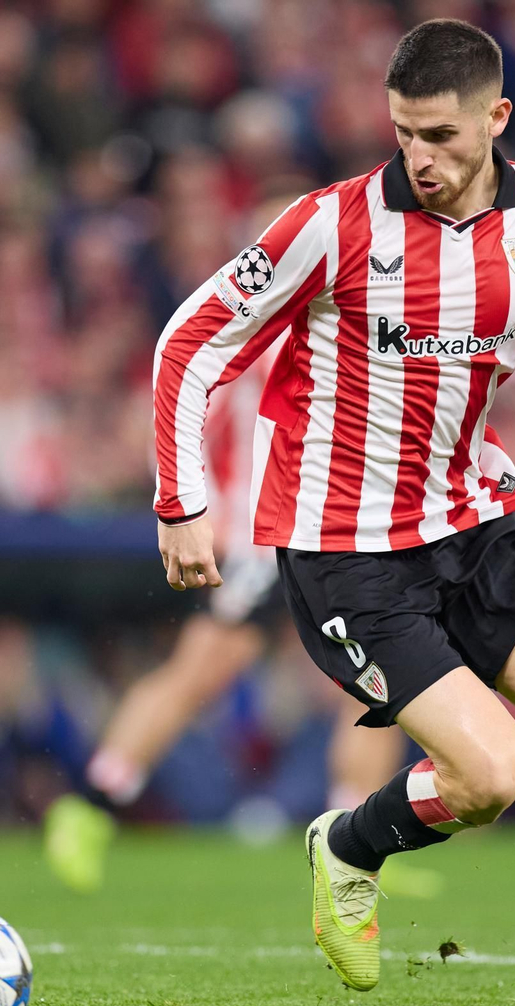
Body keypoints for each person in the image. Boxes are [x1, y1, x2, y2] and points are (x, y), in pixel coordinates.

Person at [151, 20, 515, 1006]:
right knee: (492, 774)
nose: (420, 157)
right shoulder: (329, 224)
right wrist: (181, 499)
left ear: (497, 118)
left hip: (472, 521)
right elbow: (188, 340)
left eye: (444, 136)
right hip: (345, 552)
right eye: (405, 132)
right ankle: (348, 846)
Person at [46, 261, 427, 895]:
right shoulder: (247, 332)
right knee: (199, 676)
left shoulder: (350, 328)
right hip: (260, 537)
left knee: (377, 689)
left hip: (333, 534)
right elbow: (179, 411)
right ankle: (90, 805)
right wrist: (202, 510)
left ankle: (360, 844)